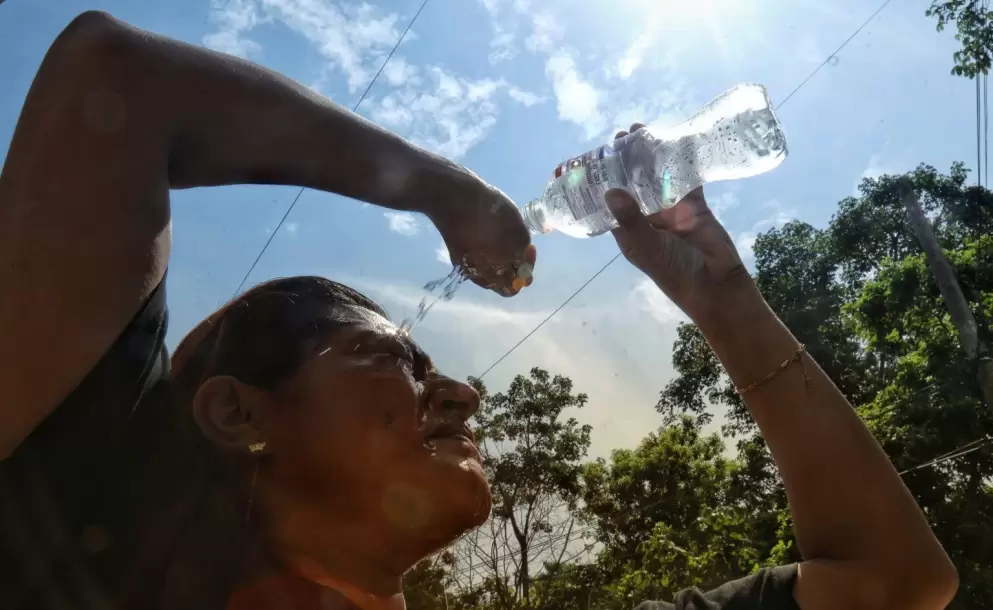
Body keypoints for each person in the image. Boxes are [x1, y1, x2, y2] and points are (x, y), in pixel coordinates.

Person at [0, 10, 958, 610]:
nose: (462, 392)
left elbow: (895, 584)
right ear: (235, 412)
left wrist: (725, 303)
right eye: (393, 359)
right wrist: (439, 189)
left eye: (422, 365)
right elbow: (113, 81)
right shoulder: (78, 543)